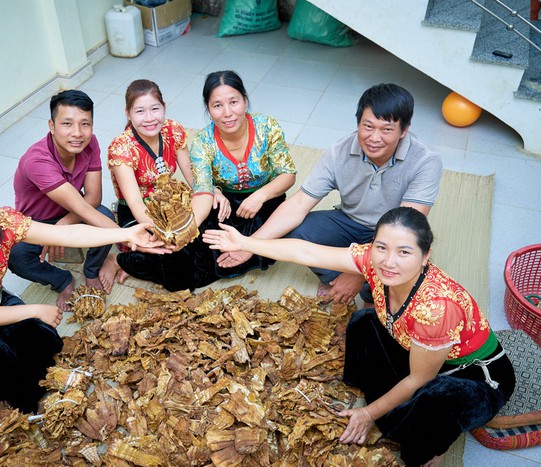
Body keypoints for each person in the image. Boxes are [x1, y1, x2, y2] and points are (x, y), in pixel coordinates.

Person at [204, 207, 515, 467]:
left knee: (431, 405)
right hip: (422, 351)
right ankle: (371, 397)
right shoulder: (373, 260)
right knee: (364, 321)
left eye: (404, 252)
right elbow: (305, 250)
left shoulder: (436, 309)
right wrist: (246, 242)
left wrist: (368, 414)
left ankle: (431, 450)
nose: (388, 262)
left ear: (425, 255)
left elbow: (418, 380)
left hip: (477, 379)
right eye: (382, 247)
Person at [0, 165, 158, 413]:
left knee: (44, 342)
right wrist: (35, 310)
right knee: (0, 369)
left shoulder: (3, 224)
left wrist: (124, 234)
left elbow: (66, 236)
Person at [217, 83, 443, 307]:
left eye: (386, 130)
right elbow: (298, 204)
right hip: (350, 222)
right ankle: (339, 281)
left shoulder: (426, 161)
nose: (374, 138)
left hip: (393, 233)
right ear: (358, 123)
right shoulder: (339, 151)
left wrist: (356, 274)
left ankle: (367, 290)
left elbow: (404, 230)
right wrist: (248, 245)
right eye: (368, 126)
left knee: (406, 268)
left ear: (404, 130)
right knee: (297, 230)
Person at [100, 79, 231, 292]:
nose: (150, 118)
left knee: (218, 215)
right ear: (128, 113)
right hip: (140, 214)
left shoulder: (173, 130)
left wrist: (212, 192)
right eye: (140, 111)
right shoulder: (121, 148)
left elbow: (193, 177)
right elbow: (134, 201)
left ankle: (148, 262)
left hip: (172, 204)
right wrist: (167, 232)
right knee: (175, 258)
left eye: (155, 109)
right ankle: (120, 260)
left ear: (164, 107)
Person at [8, 89, 119, 311]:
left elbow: (94, 197)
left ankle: (91, 269)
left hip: (72, 210)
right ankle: (62, 280)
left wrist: (62, 226)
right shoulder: (37, 160)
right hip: (37, 221)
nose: (77, 133)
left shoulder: (90, 143)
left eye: (84, 124)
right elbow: (85, 206)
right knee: (16, 257)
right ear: (51, 126)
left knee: (104, 218)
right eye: (67, 124)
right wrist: (129, 237)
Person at [189, 69, 297, 277]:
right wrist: (214, 192)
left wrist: (260, 196)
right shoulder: (202, 142)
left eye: (234, 102)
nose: (228, 113)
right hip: (226, 207)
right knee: (201, 247)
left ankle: (252, 247)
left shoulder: (267, 127)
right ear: (208, 109)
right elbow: (202, 189)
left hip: (266, 200)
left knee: (285, 229)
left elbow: (288, 175)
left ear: (245, 100)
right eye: (218, 105)